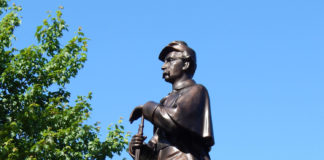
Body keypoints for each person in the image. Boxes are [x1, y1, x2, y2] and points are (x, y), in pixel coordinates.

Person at [129, 41, 214, 160]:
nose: (163, 66)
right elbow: (156, 144)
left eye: (170, 60)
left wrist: (147, 107)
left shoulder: (196, 90)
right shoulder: (165, 102)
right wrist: (141, 149)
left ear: (185, 64)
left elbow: (175, 121)